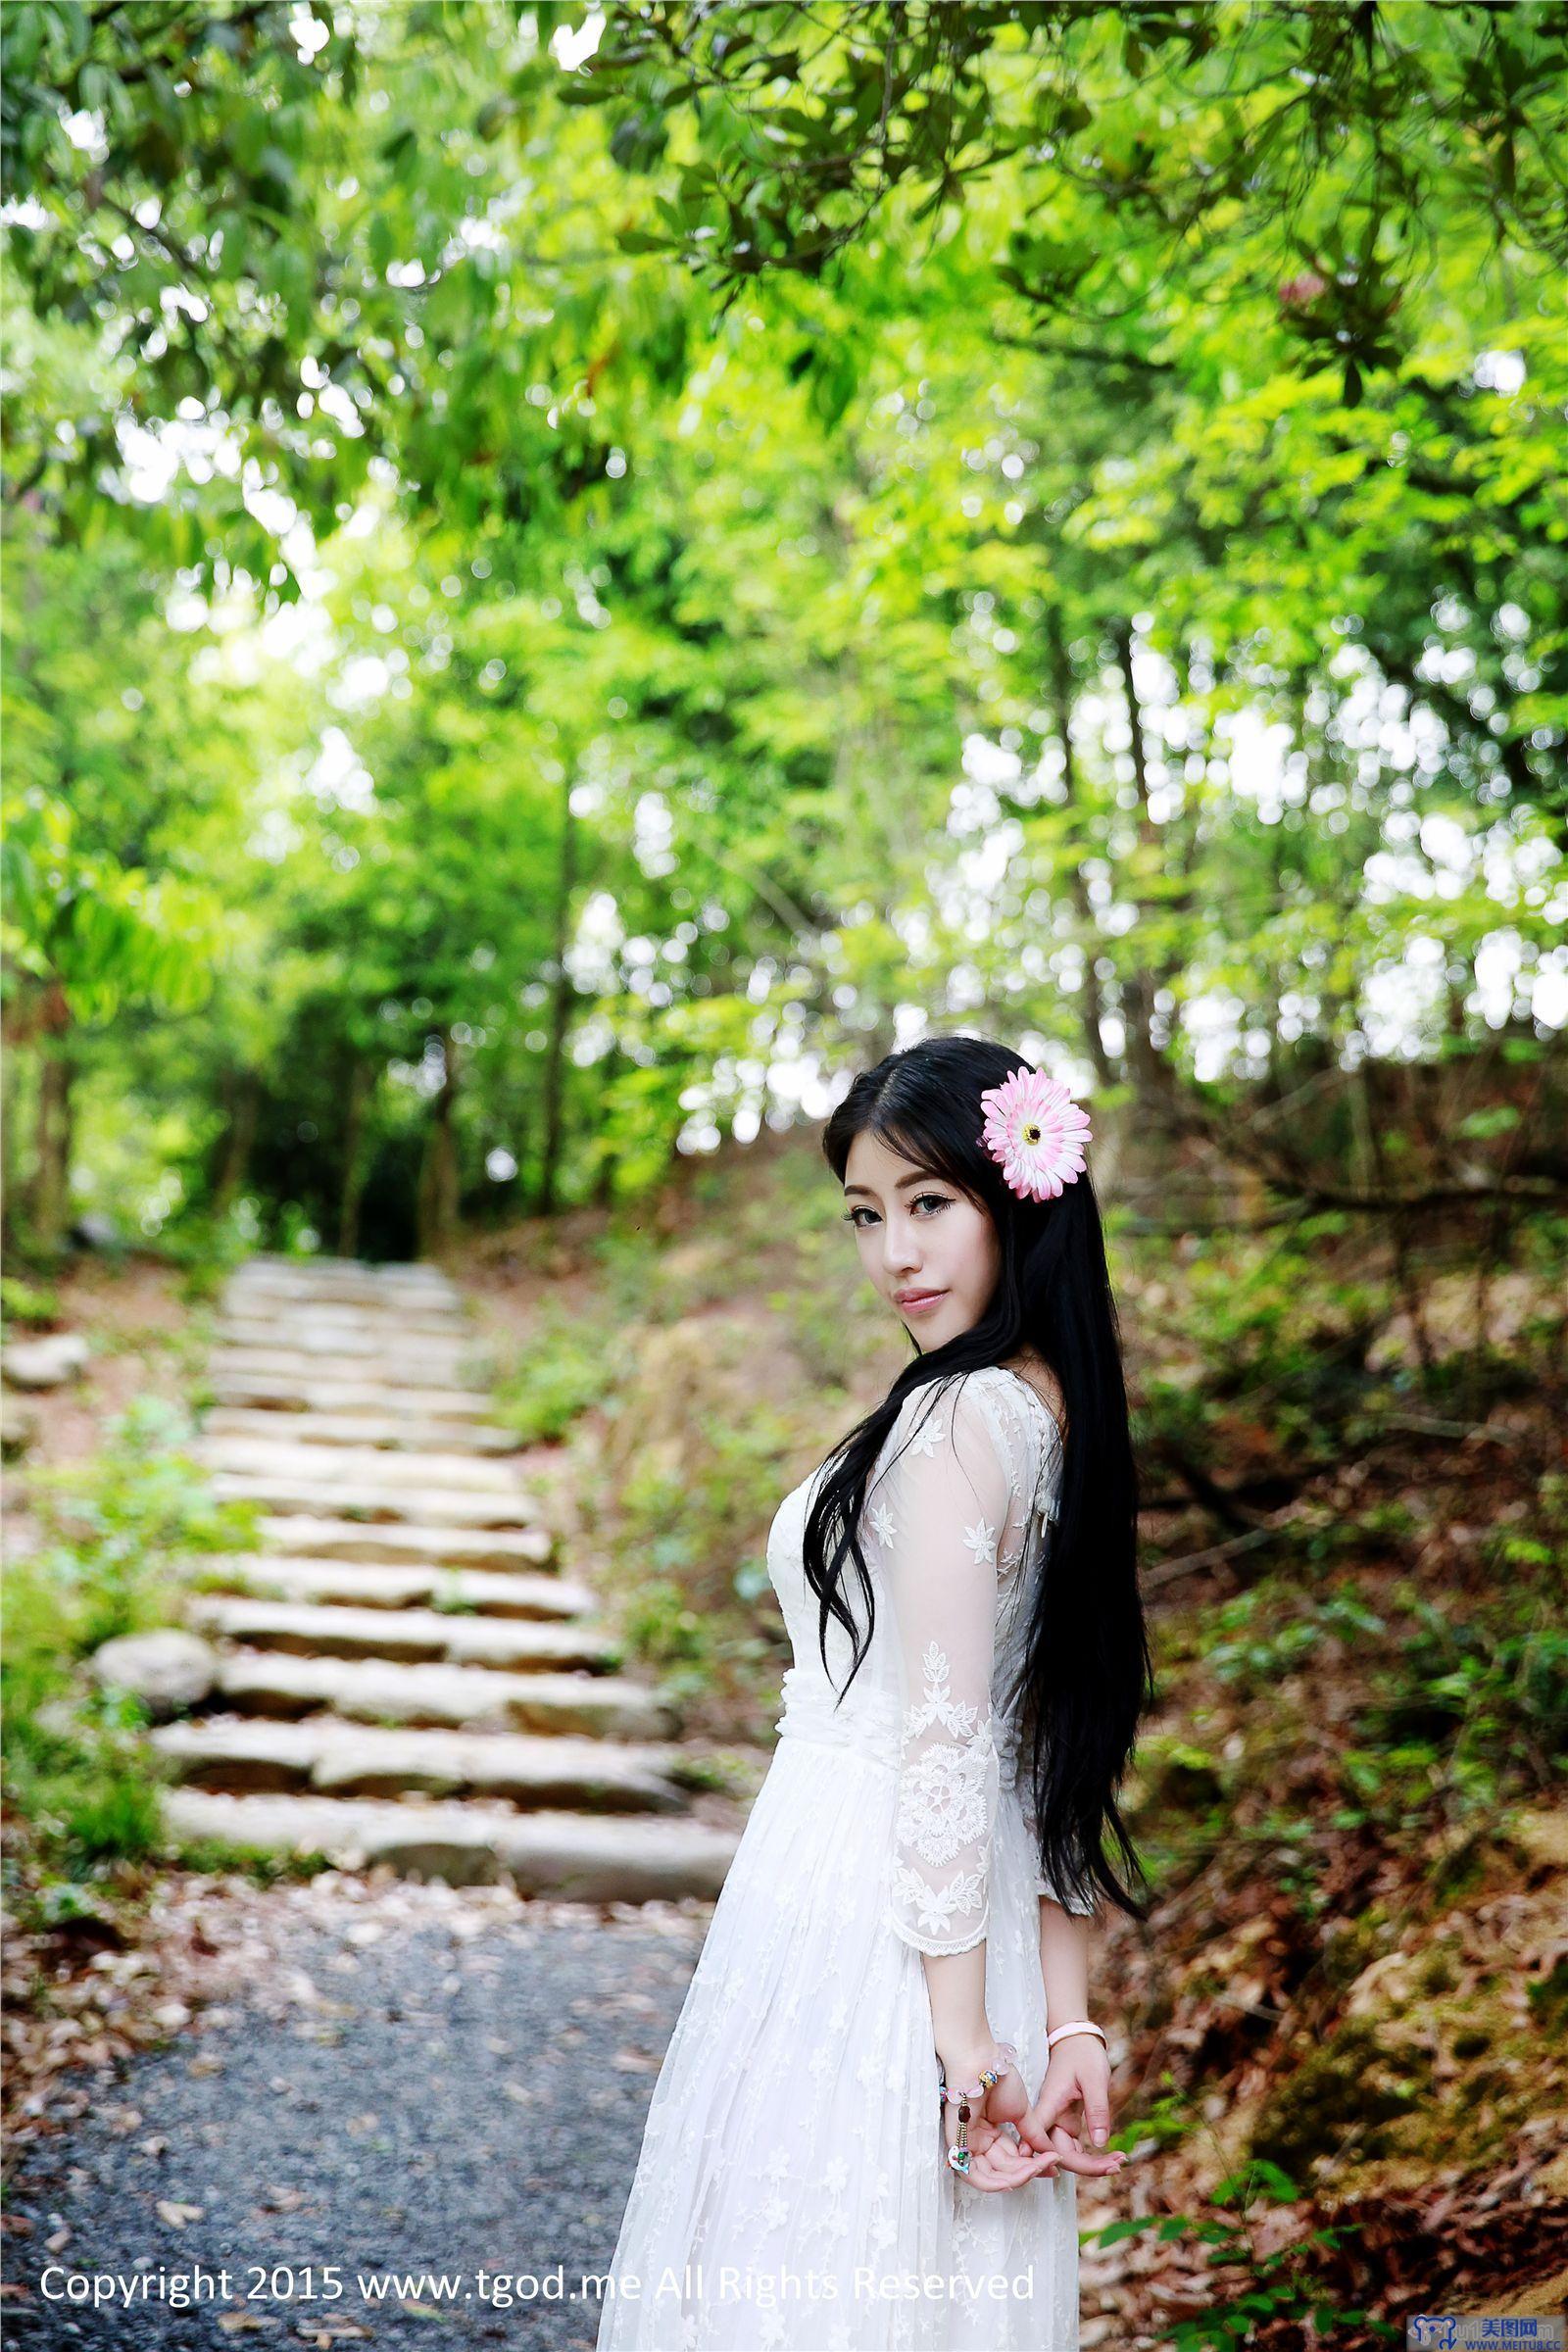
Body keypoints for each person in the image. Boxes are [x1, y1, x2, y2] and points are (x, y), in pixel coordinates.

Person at [595, 1035, 1153, 2352]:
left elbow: (955, 1750)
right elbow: (1048, 1751)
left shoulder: (960, 1422)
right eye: (865, 1214)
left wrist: (958, 2042)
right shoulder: (1047, 1412)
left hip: (880, 1931)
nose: (894, 1253)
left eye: (928, 1205)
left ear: (1020, 1194)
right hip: (965, 1932)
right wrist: (1064, 2018)